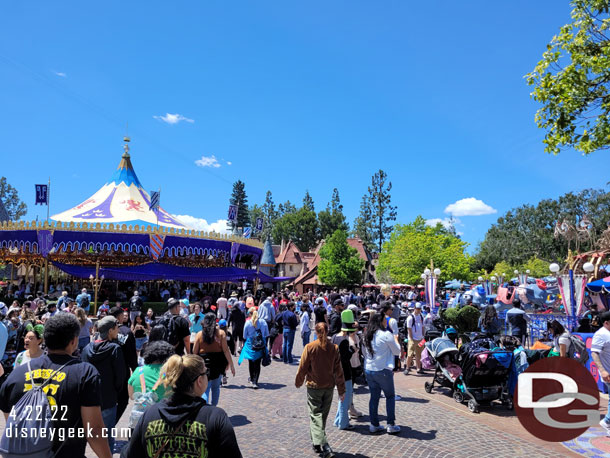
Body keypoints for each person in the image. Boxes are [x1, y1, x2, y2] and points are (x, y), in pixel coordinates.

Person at [0, 313, 112, 458]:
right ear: (74, 341)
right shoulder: (84, 373)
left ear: (45, 339)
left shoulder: (16, 375)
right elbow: (94, 430)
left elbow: (12, 424)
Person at [120, 354, 243, 457]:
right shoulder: (215, 417)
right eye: (206, 372)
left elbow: (128, 454)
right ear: (199, 381)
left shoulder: (150, 414)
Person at [295, 322, 346, 458]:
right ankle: (317, 443)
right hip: (328, 387)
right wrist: (341, 390)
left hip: (314, 387)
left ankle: (324, 445)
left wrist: (299, 381)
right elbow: (339, 371)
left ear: (316, 332)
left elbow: (303, 367)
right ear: (327, 332)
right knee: (320, 417)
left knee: (316, 416)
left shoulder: (310, 347)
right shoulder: (333, 348)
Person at [81, 316, 126, 453]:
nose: (118, 330)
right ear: (111, 330)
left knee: (86, 435)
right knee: (107, 436)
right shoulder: (115, 349)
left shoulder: (87, 348)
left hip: (88, 398)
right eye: (116, 328)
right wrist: (116, 391)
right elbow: (120, 376)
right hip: (108, 398)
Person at [364, 312, 401, 434]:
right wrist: (396, 340)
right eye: (385, 319)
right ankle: (390, 424)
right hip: (383, 369)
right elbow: (397, 351)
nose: (387, 321)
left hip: (369, 369)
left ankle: (374, 424)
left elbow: (364, 353)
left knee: (374, 397)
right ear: (380, 321)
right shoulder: (386, 334)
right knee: (390, 396)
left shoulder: (367, 335)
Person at [127, 341, 175, 427]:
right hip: (163, 422)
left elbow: (131, 395)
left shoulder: (138, 371)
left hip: (140, 422)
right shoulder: (171, 373)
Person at [193, 313, 235, 405]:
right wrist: (231, 364)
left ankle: (205, 408)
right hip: (218, 364)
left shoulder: (199, 335)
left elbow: (194, 352)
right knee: (216, 388)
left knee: (205, 389)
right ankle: (213, 407)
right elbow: (226, 351)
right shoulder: (221, 333)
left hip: (204, 365)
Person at [109, 306, 138, 424]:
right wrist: (135, 370)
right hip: (122, 371)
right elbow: (132, 355)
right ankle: (110, 424)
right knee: (122, 400)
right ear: (120, 316)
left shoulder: (102, 331)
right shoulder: (126, 332)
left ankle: (106, 425)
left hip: (106, 370)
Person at [332, 310, 358, 430]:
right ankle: (343, 423)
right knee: (345, 399)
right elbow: (345, 358)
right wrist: (353, 350)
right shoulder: (344, 341)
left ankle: (338, 420)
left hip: (335, 372)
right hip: (344, 373)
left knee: (341, 397)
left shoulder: (334, 337)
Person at [238, 307, 269, 389]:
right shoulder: (263, 322)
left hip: (250, 345)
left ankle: (252, 379)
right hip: (260, 345)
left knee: (251, 363)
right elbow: (266, 334)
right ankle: (256, 380)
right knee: (258, 364)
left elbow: (244, 336)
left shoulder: (248, 323)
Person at [592, 311, 610, 436]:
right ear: (606, 323)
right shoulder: (601, 335)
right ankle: (607, 421)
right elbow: (594, 353)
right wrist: (603, 371)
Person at [404, 302, 425, 375]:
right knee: (410, 354)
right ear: (414, 308)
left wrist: (423, 336)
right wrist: (411, 338)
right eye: (417, 309)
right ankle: (407, 368)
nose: (419, 310)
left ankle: (419, 368)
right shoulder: (410, 317)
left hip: (420, 339)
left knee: (419, 354)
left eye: (419, 309)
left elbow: (423, 327)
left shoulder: (421, 316)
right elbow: (409, 329)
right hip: (412, 339)